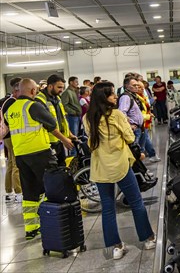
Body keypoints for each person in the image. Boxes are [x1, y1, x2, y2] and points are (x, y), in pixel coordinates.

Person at [83, 82, 156, 260]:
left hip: (100, 168)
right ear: (104, 97)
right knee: (136, 201)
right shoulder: (115, 115)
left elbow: (91, 139)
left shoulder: (88, 118)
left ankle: (115, 247)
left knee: (108, 208)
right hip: (121, 165)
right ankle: (147, 239)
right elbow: (130, 137)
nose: (116, 97)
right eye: (112, 94)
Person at [5, 78, 74, 239]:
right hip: (40, 152)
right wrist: (65, 139)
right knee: (51, 187)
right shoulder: (33, 105)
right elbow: (51, 123)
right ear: (31, 91)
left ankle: (31, 228)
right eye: (35, 89)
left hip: (21, 155)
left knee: (29, 192)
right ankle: (54, 221)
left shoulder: (11, 109)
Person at [35, 75, 77, 166]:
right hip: (48, 143)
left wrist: (69, 134)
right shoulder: (39, 101)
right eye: (59, 87)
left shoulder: (57, 98)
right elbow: (48, 125)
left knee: (62, 167)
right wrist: (64, 139)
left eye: (62, 87)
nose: (61, 90)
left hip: (58, 140)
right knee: (52, 170)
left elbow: (61, 119)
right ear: (50, 86)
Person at [1, 77, 22, 204]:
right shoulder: (12, 102)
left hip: (7, 137)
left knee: (10, 164)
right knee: (15, 165)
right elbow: (11, 121)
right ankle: (19, 193)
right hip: (11, 136)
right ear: (16, 89)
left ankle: (9, 192)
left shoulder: (7, 101)